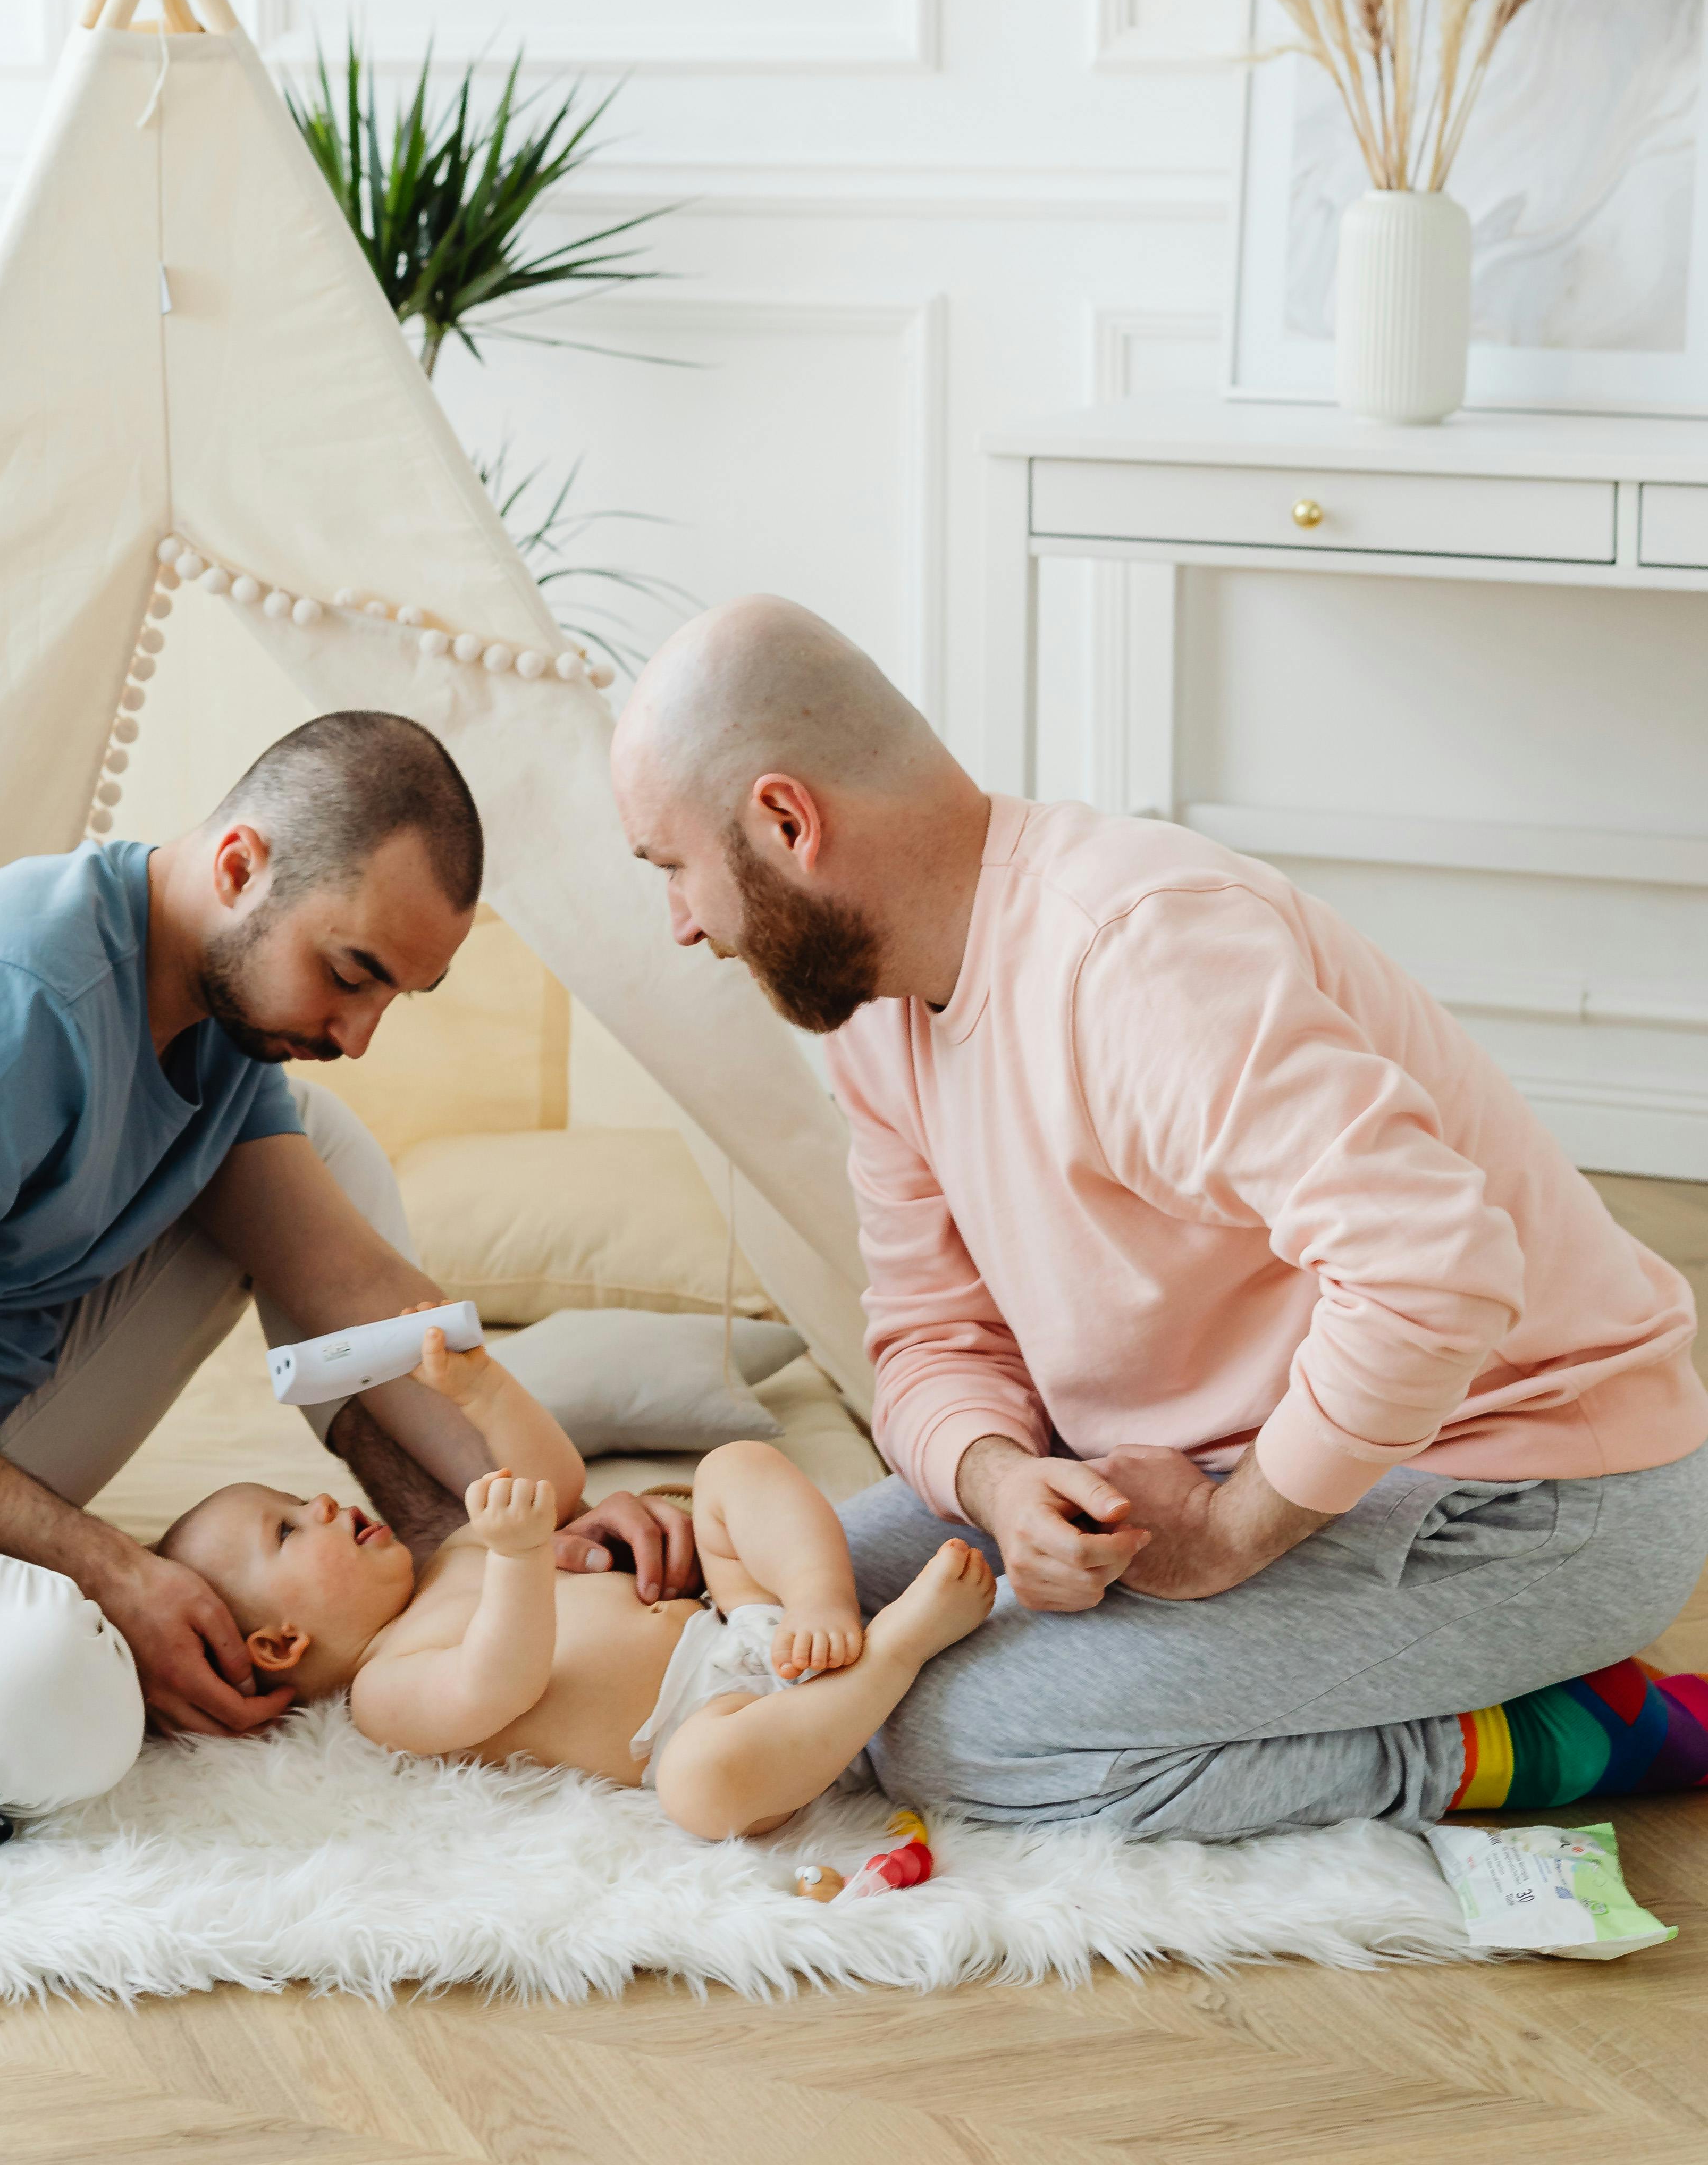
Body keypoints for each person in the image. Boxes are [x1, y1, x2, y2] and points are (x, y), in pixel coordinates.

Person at [609, 596, 1708, 1839]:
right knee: (805, 1610)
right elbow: (927, 1337)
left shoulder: (1134, 959)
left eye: (672, 868)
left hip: (1515, 1488)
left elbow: (1433, 1273)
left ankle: (1546, 1732)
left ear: (783, 820)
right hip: (1202, 1462)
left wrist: (1234, 1534)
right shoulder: (875, 1017)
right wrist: (1001, 1477)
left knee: (949, 1739)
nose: (683, 922)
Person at [0, 711, 689, 1812]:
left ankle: (450, 1539)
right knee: (65, 1706)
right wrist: (111, 1572)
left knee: (320, 1153)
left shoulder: (212, 1012)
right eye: (349, 973)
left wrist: (538, 1514)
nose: (358, 1036)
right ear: (240, 866)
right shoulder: (11, 997)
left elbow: (347, 1285)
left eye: (394, 994)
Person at [161, 1324, 997, 1834]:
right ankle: (895, 1650)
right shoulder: (384, 1696)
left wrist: (484, 1392)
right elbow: (502, 1680)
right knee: (702, 1795)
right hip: (709, 1722)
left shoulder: (456, 1551)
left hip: (738, 1623)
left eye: (302, 1499)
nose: (321, 1505)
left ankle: (826, 1602)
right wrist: (521, 1557)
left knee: (732, 1469)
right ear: (281, 1641)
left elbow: (551, 1482)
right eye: (288, 1529)